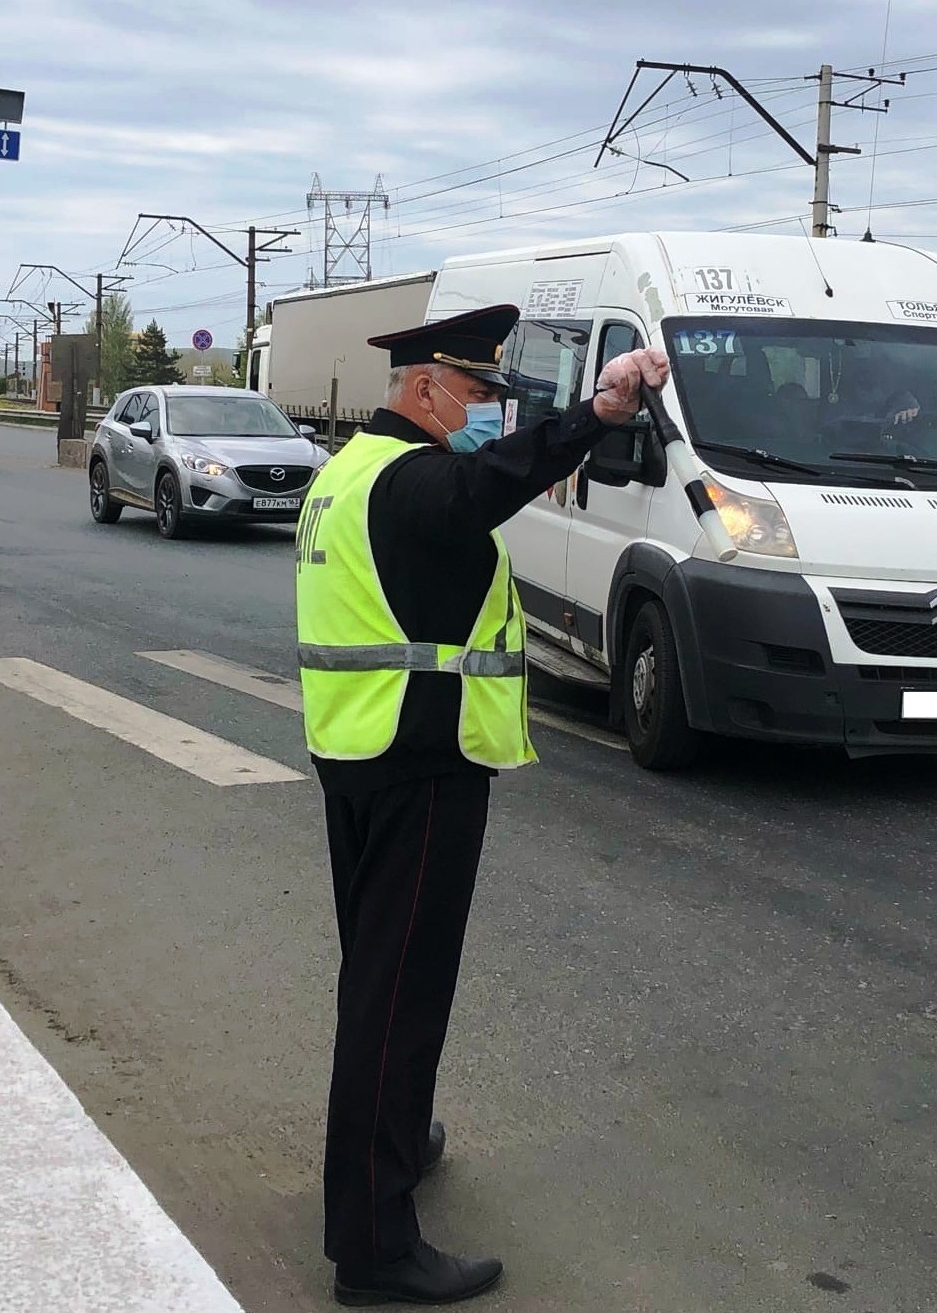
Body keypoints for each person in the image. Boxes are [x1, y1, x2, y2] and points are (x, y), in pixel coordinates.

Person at [295, 303, 669, 1306]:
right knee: (395, 997)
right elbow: (487, 486)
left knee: (381, 980)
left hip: (363, 750)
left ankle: (398, 1140)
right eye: (476, 393)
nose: (488, 414)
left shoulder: (347, 472)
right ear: (423, 389)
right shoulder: (412, 479)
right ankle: (373, 1247)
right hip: (419, 760)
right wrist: (598, 406)